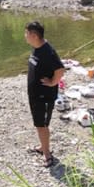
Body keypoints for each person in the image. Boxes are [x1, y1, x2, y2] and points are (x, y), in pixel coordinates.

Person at [25, 21, 65, 167]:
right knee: (39, 123)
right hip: (35, 95)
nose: (25, 36)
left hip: (44, 96)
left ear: (34, 35)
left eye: (26, 33)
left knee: (42, 125)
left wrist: (53, 82)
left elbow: (60, 70)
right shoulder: (37, 47)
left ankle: (47, 154)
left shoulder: (48, 52)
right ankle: (43, 146)